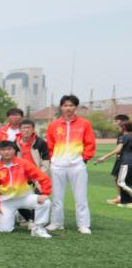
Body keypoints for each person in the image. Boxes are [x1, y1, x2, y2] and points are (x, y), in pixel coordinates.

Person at [46, 95, 95, 234]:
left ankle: (83, 225)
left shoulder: (84, 124)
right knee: (57, 197)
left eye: (71, 105)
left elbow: (90, 143)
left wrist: (84, 158)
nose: (68, 108)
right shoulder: (53, 125)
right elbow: (50, 144)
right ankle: (56, 223)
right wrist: (53, 159)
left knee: (81, 197)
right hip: (58, 166)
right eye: (65, 105)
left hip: (77, 166)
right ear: (61, 107)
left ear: (76, 107)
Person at [0, 141, 53, 238]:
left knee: (45, 202)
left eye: (9, 149)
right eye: (3, 150)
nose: (6, 152)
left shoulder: (23, 163)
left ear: (14, 150)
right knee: (5, 230)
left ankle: (38, 228)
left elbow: (42, 176)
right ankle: (13, 215)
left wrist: (45, 193)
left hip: (25, 198)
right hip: (7, 201)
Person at [97, 120, 132, 206]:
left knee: (121, 182)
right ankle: (126, 201)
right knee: (126, 181)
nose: (118, 128)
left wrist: (104, 157)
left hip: (126, 162)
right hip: (129, 162)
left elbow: (118, 150)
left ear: (124, 128)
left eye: (120, 127)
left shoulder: (123, 137)